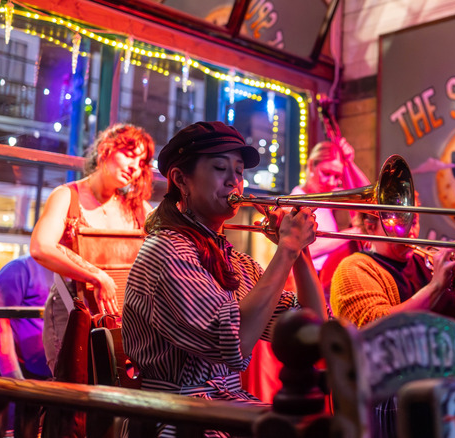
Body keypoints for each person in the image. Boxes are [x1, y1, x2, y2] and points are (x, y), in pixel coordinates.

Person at [121, 121, 328, 437]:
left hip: (223, 406)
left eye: (240, 172)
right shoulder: (166, 249)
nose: (234, 181)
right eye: (220, 168)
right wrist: (286, 249)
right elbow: (236, 344)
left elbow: (313, 331)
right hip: (173, 416)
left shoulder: (234, 261)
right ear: (181, 179)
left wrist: (301, 253)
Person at [30, 123, 155, 374]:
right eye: (130, 155)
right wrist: (96, 276)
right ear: (105, 150)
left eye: (141, 162)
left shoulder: (138, 207)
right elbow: (41, 246)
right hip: (73, 315)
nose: (134, 167)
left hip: (123, 319)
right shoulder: (66, 195)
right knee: (75, 395)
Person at [330, 211, 455, 328]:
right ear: (371, 226)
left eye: (413, 221)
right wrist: (436, 286)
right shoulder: (354, 267)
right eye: (399, 221)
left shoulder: (430, 261)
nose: (410, 231)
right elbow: (375, 327)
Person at [291, 139, 370, 272]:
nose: (332, 182)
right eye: (326, 173)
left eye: (337, 176)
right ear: (311, 166)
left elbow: (367, 195)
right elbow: (307, 248)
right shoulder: (296, 200)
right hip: (308, 277)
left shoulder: (324, 195)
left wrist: (350, 163)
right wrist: (352, 232)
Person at [0, 255, 54, 380]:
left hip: (59, 373)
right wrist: (12, 375)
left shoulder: (77, 274)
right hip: (24, 373)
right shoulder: (19, 268)